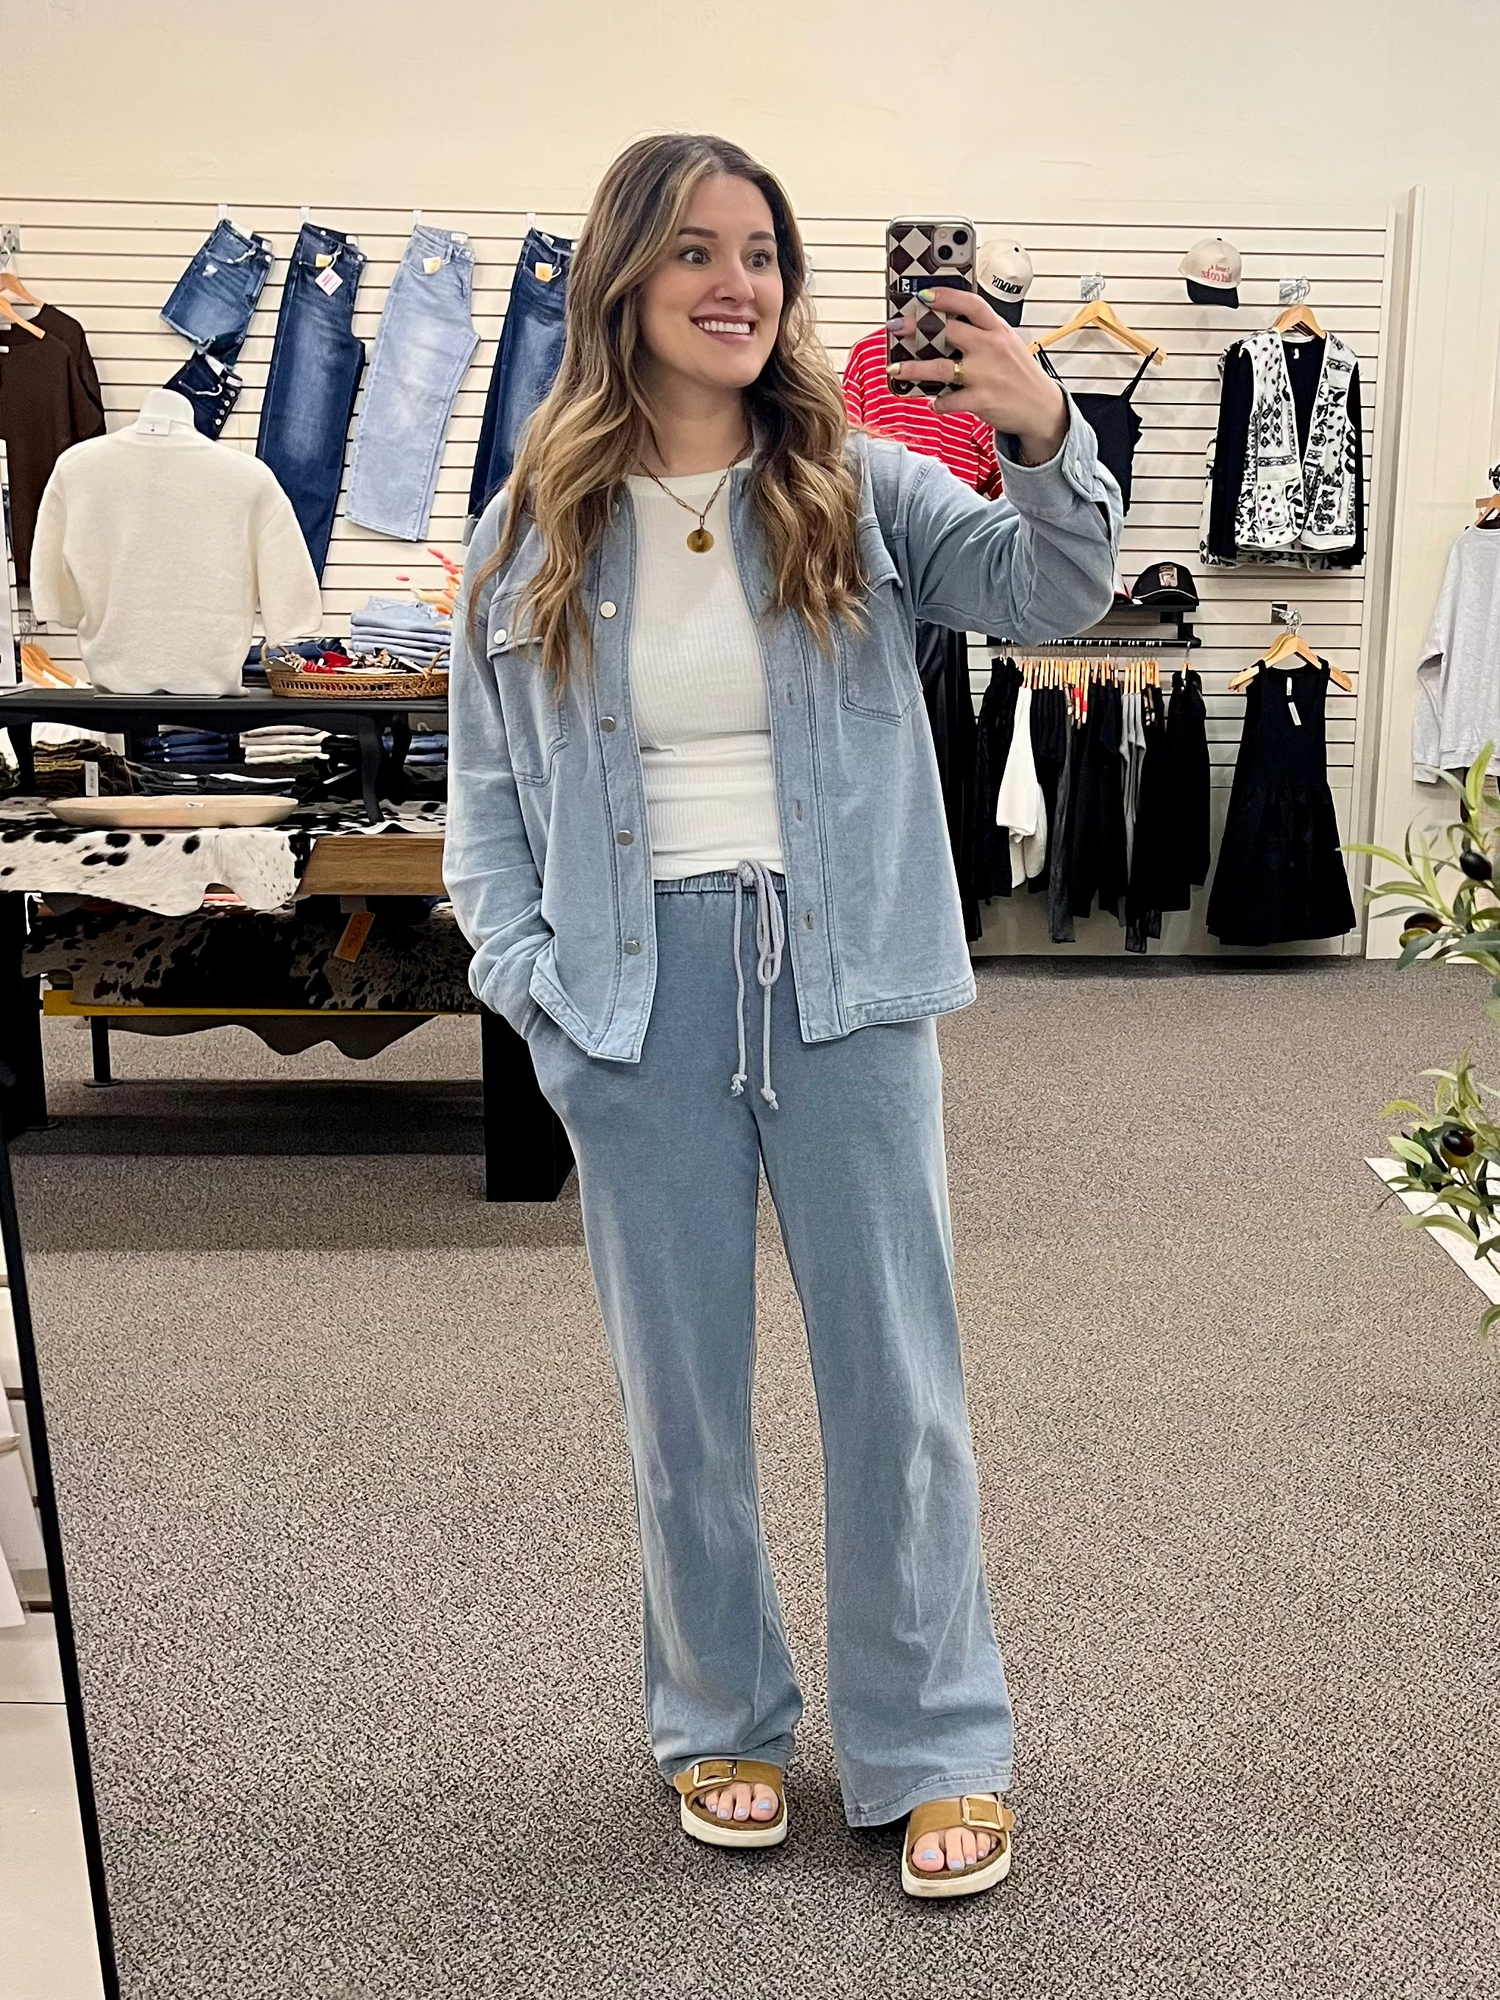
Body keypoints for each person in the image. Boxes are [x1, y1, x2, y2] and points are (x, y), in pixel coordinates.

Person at [446, 132, 1120, 1899]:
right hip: (628, 996)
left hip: (847, 984)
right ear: (624, 279)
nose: (735, 282)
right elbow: (486, 809)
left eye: (759, 252)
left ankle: (935, 1744)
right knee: (681, 1395)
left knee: (897, 1381)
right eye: (695, 250)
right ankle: (722, 1715)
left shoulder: (861, 486)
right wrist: (535, 994)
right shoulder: (530, 526)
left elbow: (1056, 592)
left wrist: (1044, 429)